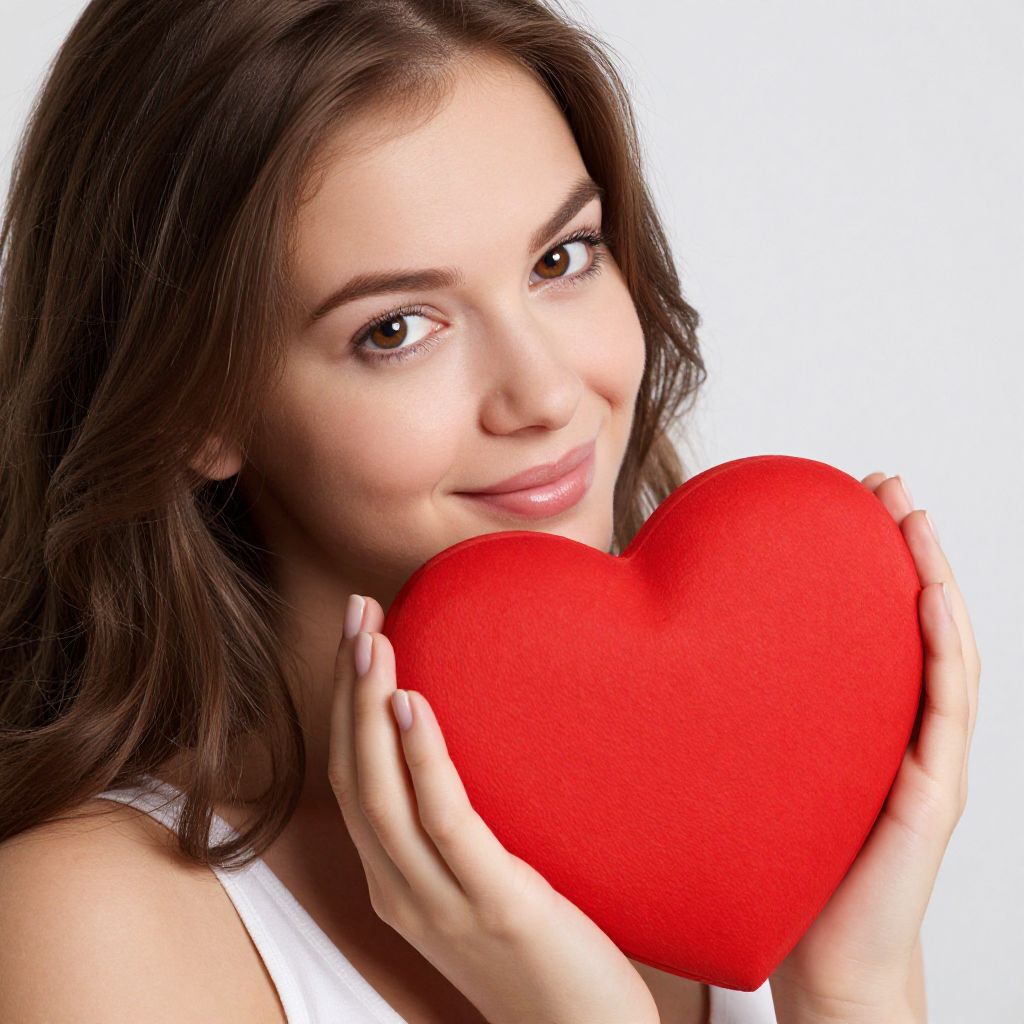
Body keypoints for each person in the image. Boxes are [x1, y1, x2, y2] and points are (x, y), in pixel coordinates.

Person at [0, 2, 978, 1022]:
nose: (546, 393)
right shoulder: (94, 925)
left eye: (561, 259)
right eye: (396, 327)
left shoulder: (750, 815)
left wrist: (851, 982)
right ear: (194, 402)